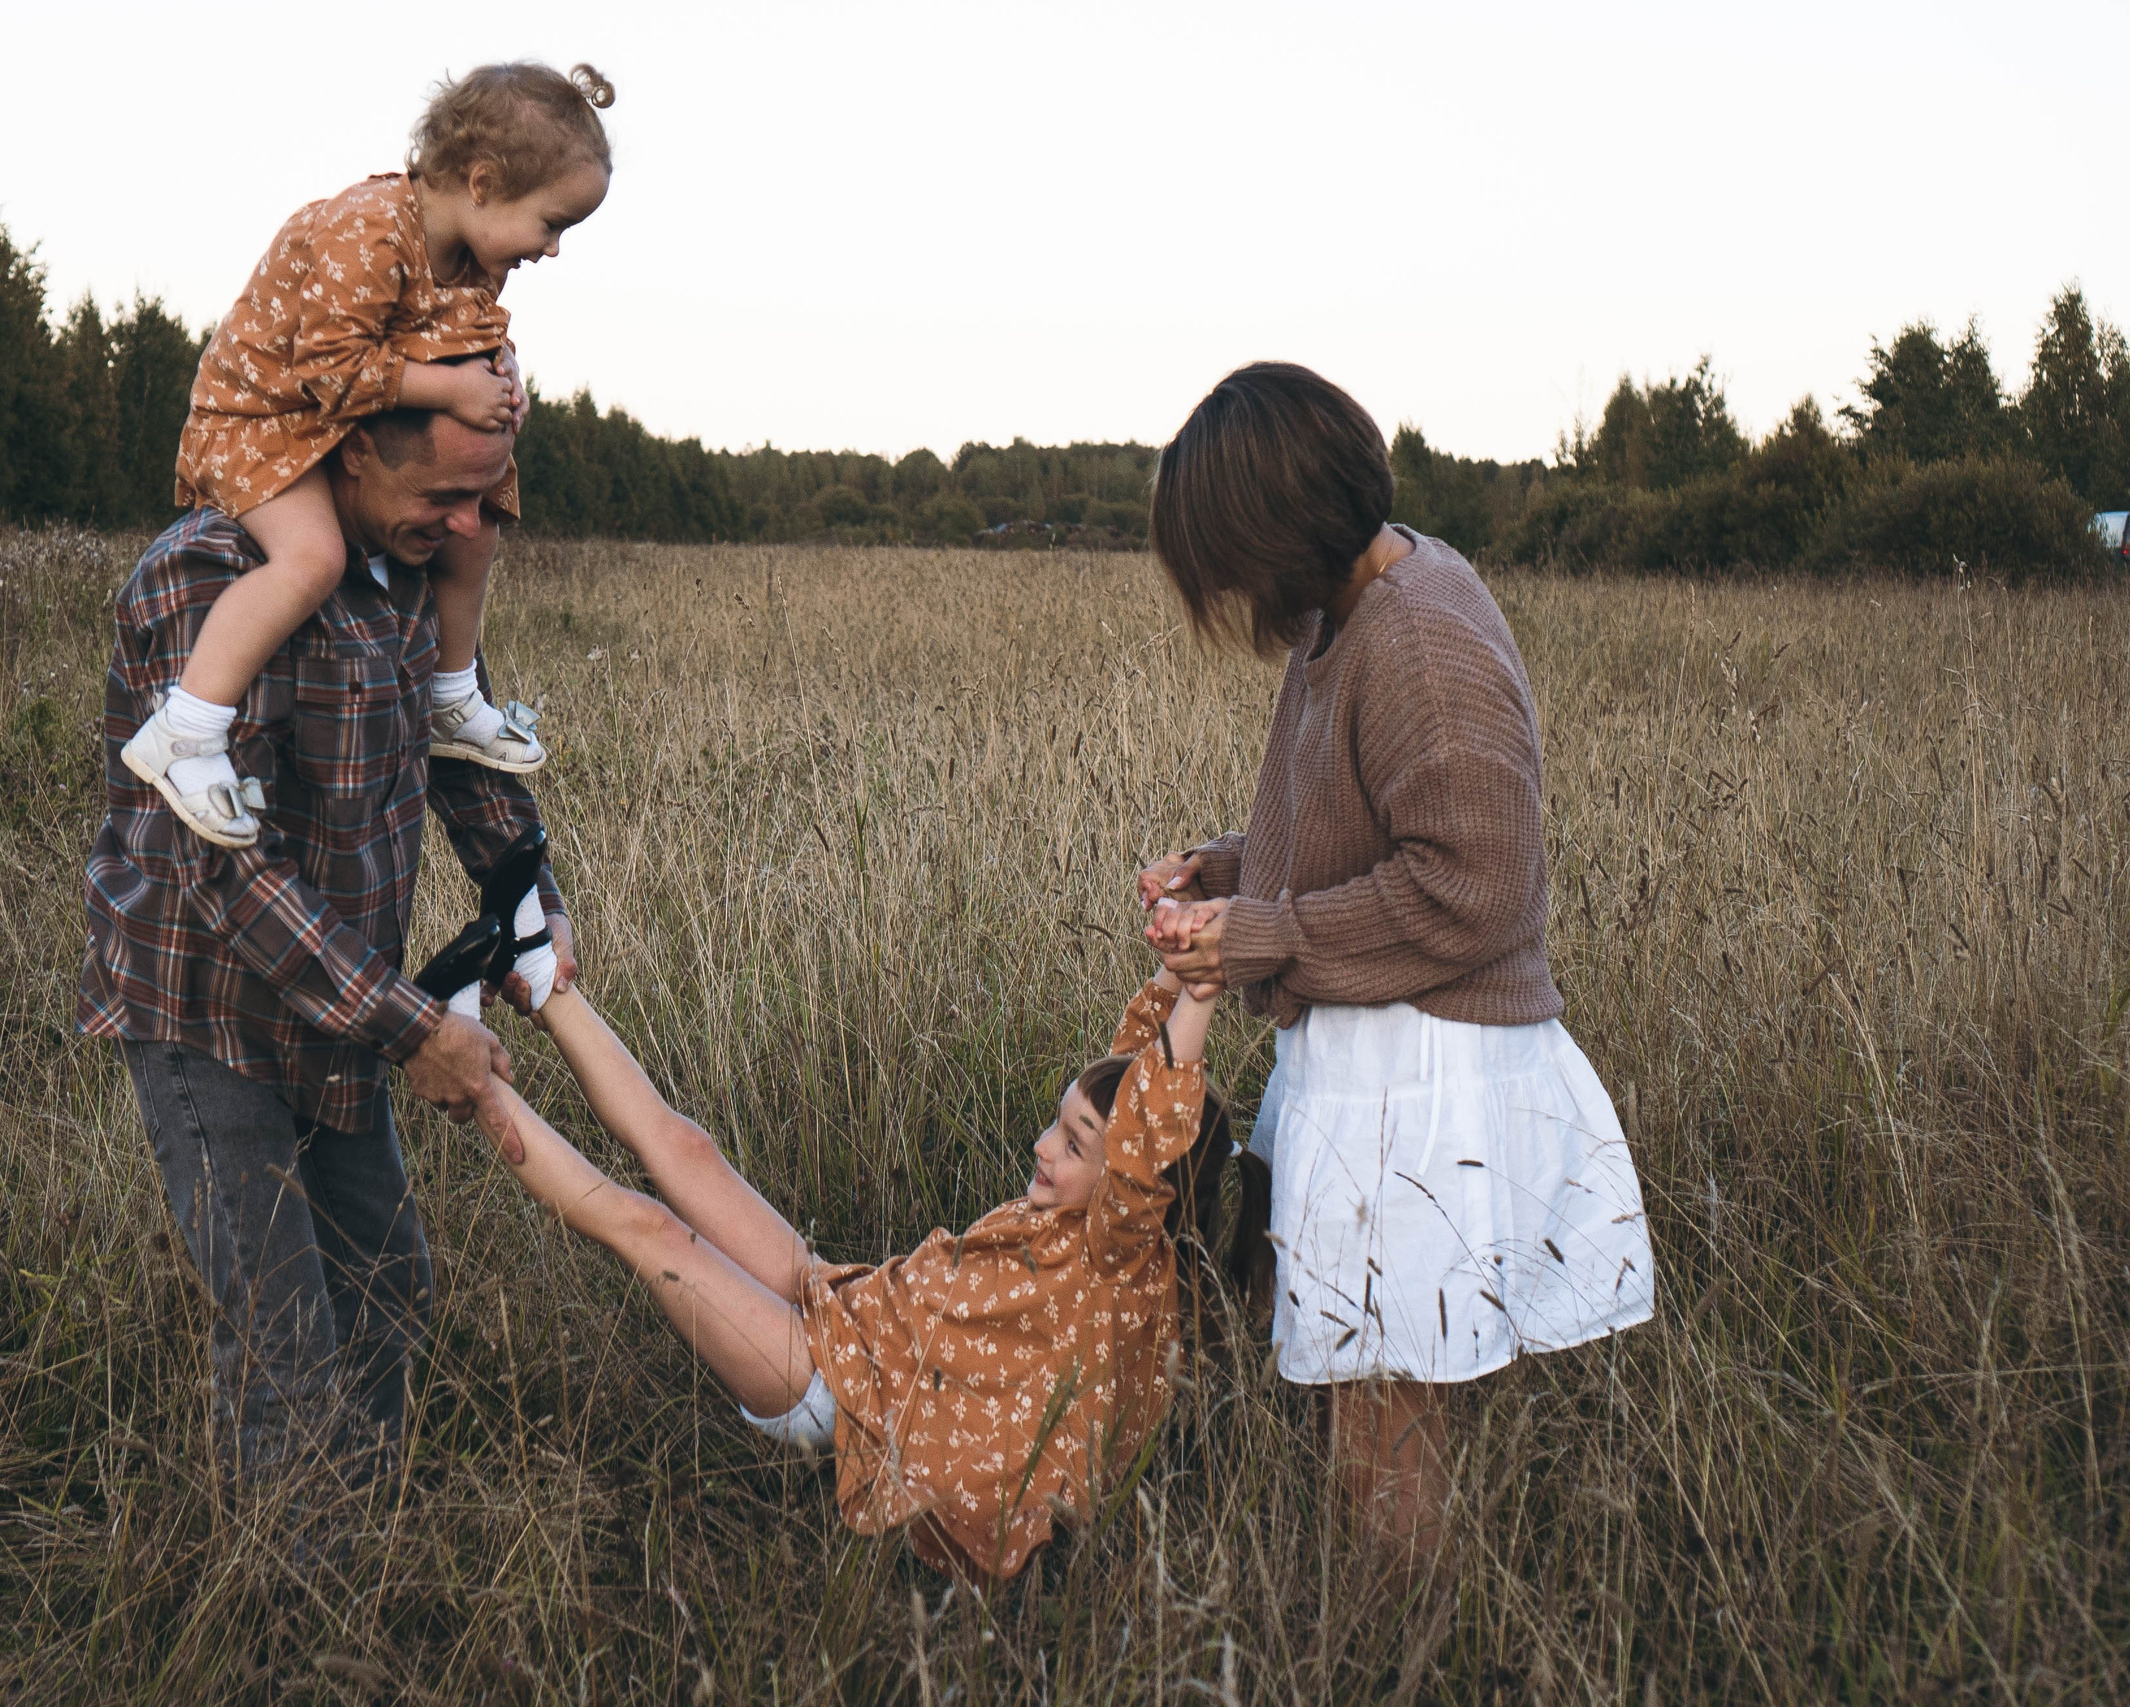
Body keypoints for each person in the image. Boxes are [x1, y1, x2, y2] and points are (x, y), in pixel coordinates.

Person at [1138, 362, 1655, 1570]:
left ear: (1278, 533)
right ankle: (1397, 1635)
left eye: (1225, 559)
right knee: (1368, 1397)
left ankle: (1396, 1655)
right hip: (1377, 1058)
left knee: (1386, 1418)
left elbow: (1475, 887)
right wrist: (1233, 870)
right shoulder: (1351, 613)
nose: (1225, 592)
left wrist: (1270, 934)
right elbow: (1355, 819)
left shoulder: (1419, 635)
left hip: (1429, 1082)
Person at [78, 401, 575, 1488]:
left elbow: (459, 745)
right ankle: (287, 1629)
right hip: (205, 1008)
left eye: (478, 502)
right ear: (354, 451)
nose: (460, 526)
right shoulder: (209, 580)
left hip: (338, 1007)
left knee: (386, 1286)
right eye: (438, 496)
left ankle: (364, 1561)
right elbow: (224, 871)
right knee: (282, 1349)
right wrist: (413, 1032)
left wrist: (530, 905)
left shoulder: (408, 571)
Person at [472, 963, 1259, 1581]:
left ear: (1136, 1184)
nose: (1043, 1146)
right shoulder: (1093, 1216)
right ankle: (537, 974)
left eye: (1073, 1143)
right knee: (687, 1148)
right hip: (842, 1302)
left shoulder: (1118, 1262)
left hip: (839, 1397)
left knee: (651, 1231)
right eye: (1057, 1121)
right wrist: (1172, 968)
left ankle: (468, 1071)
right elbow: (1139, 1077)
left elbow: (1151, 1125)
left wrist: (1203, 990)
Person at [120, 61, 617, 849]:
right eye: (551, 224)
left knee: (479, 521)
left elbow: (468, 335)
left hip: (335, 421)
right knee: (312, 557)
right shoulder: (369, 229)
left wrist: (504, 375)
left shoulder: (467, 259)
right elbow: (328, 373)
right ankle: (185, 729)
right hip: (262, 420)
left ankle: (453, 696)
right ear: (482, 184)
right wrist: (455, 395)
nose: (552, 250)